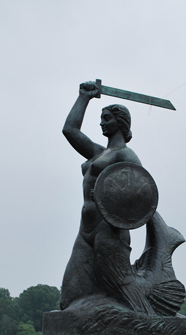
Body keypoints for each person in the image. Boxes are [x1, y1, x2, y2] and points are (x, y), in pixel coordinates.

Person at [59, 81, 151, 312]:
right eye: (101, 118)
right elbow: (69, 130)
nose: (101, 122)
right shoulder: (99, 152)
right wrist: (84, 97)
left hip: (109, 232)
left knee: (124, 296)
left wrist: (112, 198)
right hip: (86, 230)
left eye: (106, 118)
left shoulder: (126, 155)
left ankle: (154, 315)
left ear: (120, 123)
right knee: (68, 300)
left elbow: (142, 192)